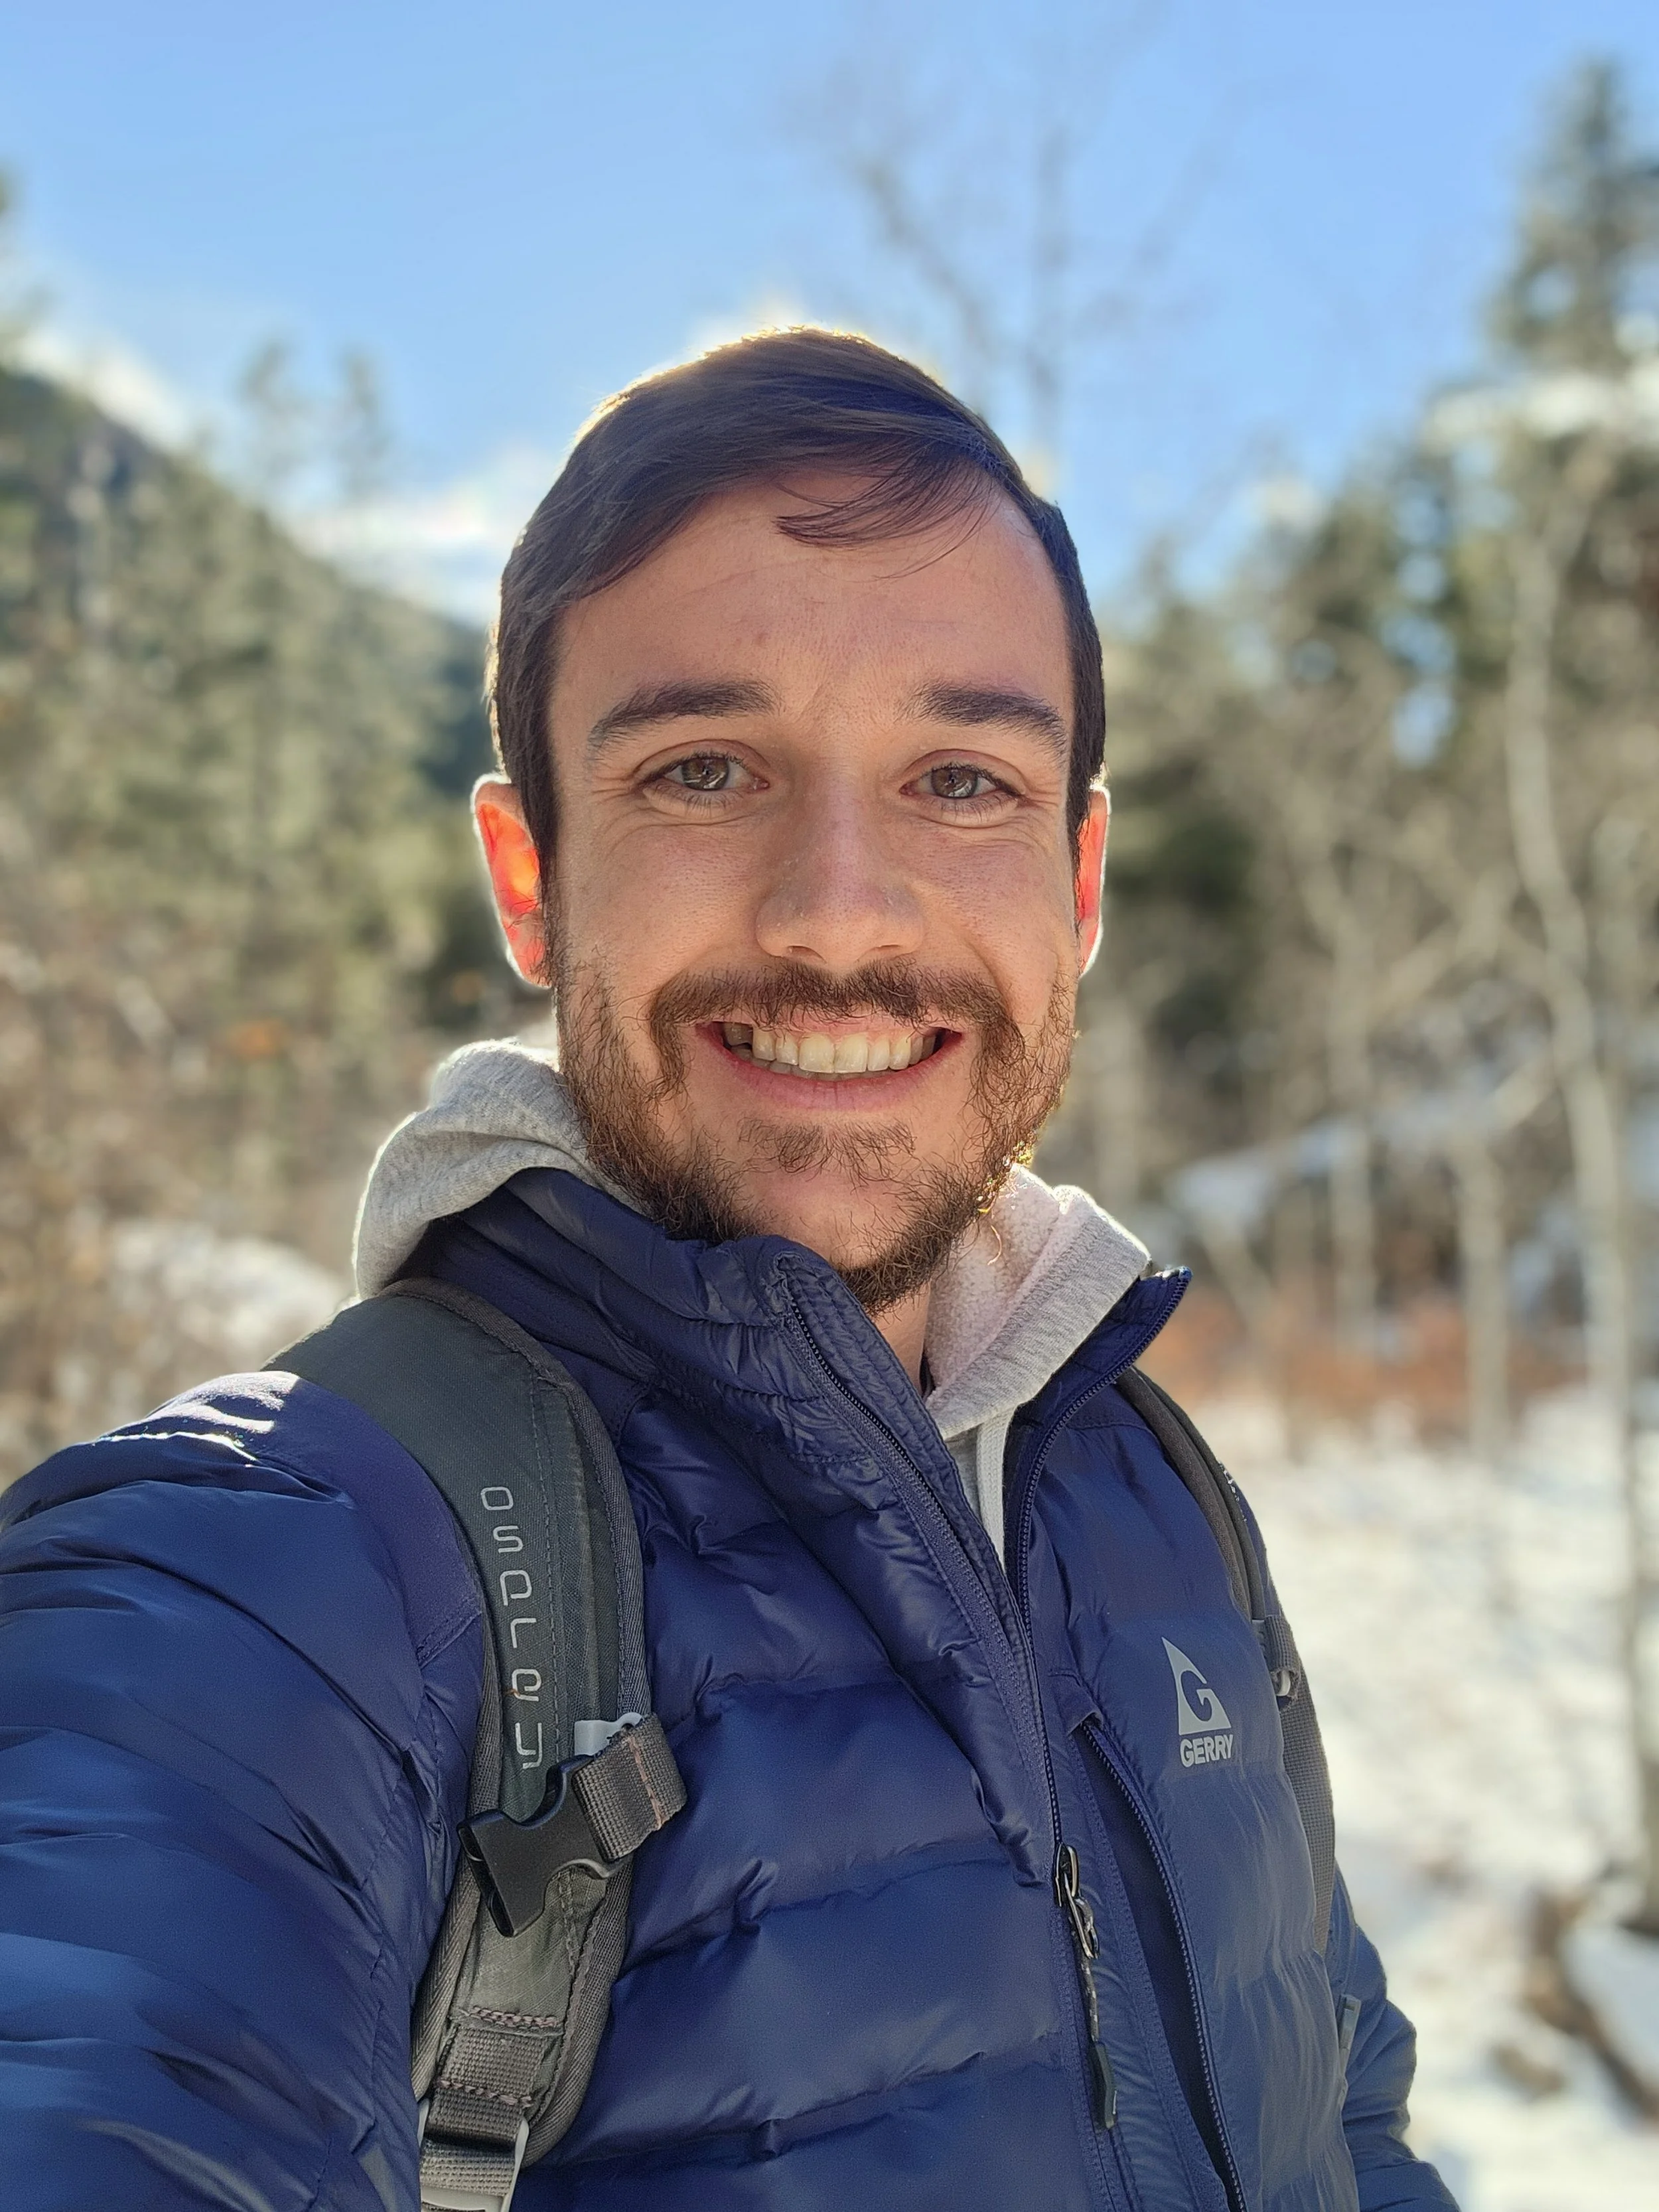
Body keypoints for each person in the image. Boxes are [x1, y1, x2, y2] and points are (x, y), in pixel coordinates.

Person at [0, 329, 1455, 2211]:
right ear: (531, 879)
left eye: (961, 779)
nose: (840, 911)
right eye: (704, 768)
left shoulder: (1148, 1487)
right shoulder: (269, 1574)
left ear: (1077, 888)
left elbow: (1338, 2117)